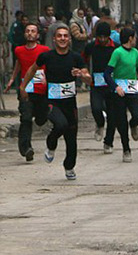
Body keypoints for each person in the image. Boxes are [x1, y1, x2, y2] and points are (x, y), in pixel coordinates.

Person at [20, 25, 92, 180]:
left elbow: (89, 79)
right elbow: (32, 69)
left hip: (70, 104)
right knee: (60, 125)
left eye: (65, 36)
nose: (62, 39)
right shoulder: (47, 56)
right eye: (59, 36)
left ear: (69, 39)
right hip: (52, 102)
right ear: (54, 39)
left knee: (71, 140)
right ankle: (51, 145)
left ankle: (69, 167)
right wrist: (23, 86)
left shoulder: (76, 58)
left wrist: (81, 74)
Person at [4, 23, 50, 161]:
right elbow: (19, 63)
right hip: (26, 90)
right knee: (25, 119)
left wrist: (48, 80)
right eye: (28, 31)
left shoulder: (44, 50)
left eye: (33, 31)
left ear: (37, 35)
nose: (30, 33)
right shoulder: (18, 50)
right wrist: (13, 79)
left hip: (42, 90)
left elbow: (49, 65)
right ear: (25, 34)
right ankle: (26, 149)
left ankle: (40, 115)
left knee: (42, 118)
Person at [104, 28, 138, 162]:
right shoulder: (117, 53)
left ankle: (133, 124)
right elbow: (107, 74)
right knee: (121, 121)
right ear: (130, 38)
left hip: (133, 91)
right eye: (134, 37)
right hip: (120, 93)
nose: (135, 40)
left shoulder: (135, 52)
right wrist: (115, 87)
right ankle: (126, 148)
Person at [84, 22, 118, 153]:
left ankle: (108, 142)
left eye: (105, 37)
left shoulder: (116, 48)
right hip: (96, 84)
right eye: (100, 37)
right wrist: (86, 73)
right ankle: (99, 123)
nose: (102, 40)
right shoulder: (91, 47)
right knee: (96, 108)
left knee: (112, 115)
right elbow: (83, 60)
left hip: (112, 85)